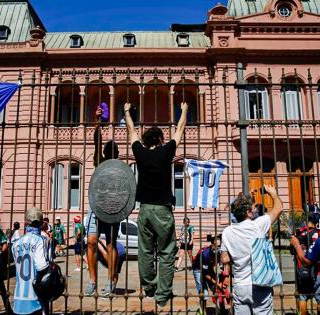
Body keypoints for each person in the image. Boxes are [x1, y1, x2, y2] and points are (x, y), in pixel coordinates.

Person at [124, 101, 189, 307]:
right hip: (162, 210)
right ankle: (162, 296)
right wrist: (184, 110)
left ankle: (149, 287)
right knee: (166, 252)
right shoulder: (166, 151)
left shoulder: (140, 153)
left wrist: (127, 112)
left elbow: (131, 131)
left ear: (145, 140)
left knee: (145, 250)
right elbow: (179, 130)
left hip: (144, 209)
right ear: (161, 139)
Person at [220, 184, 283, 315]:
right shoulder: (257, 225)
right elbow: (278, 209)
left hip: (240, 285)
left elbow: (224, 258)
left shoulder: (227, 232)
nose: (255, 209)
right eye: (253, 207)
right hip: (258, 283)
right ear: (248, 212)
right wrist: (273, 194)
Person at [85, 106, 123, 296]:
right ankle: (92, 280)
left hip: (113, 208)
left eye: (112, 150)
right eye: (108, 150)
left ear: (116, 154)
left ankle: (109, 279)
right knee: (91, 241)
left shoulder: (120, 168)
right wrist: (98, 122)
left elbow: (126, 190)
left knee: (110, 243)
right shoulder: (99, 161)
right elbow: (96, 141)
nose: (109, 152)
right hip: (95, 205)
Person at [11, 207, 50, 315]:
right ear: (41, 223)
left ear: (25, 223)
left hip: (19, 297)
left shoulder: (16, 244)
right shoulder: (40, 240)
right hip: (35, 298)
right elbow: (41, 266)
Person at [291, 213, 320, 315]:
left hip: (302, 268)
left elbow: (292, 251)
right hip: (317, 268)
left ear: (306, 221)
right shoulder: (319, 233)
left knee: (303, 296)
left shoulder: (299, 233)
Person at [192, 235, 225, 315]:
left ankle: (221, 310)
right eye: (217, 246)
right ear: (212, 245)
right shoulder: (205, 254)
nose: (219, 248)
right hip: (199, 270)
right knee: (205, 293)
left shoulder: (220, 252)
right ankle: (202, 311)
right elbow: (206, 274)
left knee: (216, 290)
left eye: (220, 246)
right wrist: (217, 283)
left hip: (209, 267)